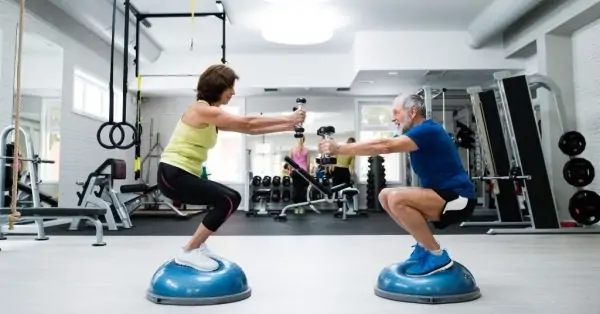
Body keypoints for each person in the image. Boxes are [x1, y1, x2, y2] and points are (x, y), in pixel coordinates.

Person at [157, 64, 306, 271]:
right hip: (172, 174)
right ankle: (189, 250)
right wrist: (287, 117)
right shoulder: (201, 110)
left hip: (181, 174)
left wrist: (287, 126)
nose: (233, 92)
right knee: (229, 198)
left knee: (227, 198)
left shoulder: (211, 113)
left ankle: (197, 246)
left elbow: (249, 130)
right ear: (219, 86)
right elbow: (246, 122)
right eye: (231, 87)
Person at [318, 93, 476, 277]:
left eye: (396, 112)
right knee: (385, 195)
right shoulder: (415, 134)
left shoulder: (427, 130)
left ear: (413, 112)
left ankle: (436, 254)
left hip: (459, 199)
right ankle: (423, 247)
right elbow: (382, 144)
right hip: (441, 195)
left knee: (396, 198)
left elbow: (385, 145)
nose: (393, 118)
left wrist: (339, 148)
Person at [330, 137, 356, 211]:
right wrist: (332, 169)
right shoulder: (340, 150)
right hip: (337, 170)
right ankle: (340, 207)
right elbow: (334, 160)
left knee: (346, 190)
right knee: (337, 190)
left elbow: (352, 167)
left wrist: (352, 176)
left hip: (345, 171)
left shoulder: (352, 153)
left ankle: (347, 207)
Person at [288, 135, 309, 214]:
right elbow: (308, 164)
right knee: (302, 189)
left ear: (297, 140)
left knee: (296, 189)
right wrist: (308, 174)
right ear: (304, 140)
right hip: (303, 172)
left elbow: (290, 162)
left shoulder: (292, 149)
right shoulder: (307, 150)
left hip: (295, 171)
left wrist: (290, 171)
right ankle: (301, 207)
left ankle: (296, 207)